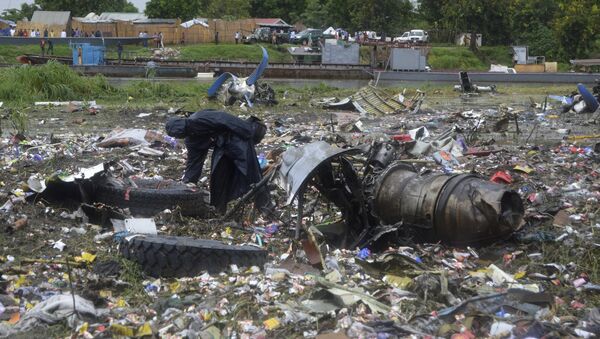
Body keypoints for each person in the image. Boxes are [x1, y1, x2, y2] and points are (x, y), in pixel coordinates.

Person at [165, 110, 272, 214]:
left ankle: (262, 206)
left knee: (248, 169)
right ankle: (222, 208)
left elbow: (226, 119)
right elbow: (194, 162)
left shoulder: (200, 118)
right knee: (219, 175)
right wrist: (188, 182)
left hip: (237, 135)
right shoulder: (192, 140)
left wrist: (247, 131)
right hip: (222, 145)